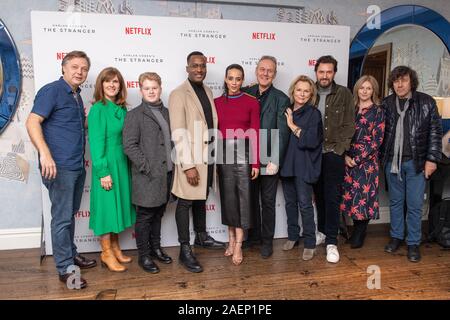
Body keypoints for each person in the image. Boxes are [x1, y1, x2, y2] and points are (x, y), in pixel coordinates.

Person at [26, 51, 96, 289]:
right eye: (75, 67)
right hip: (59, 166)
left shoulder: (76, 95)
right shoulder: (52, 90)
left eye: (84, 68)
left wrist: (91, 114)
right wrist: (45, 155)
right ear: (64, 68)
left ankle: (71, 253)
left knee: (70, 214)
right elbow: (33, 121)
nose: (80, 72)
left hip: (76, 165)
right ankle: (65, 268)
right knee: (62, 218)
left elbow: (71, 127)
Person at [169, 51, 225, 273]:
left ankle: (201, 236)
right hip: (190, 160)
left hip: (207, 157)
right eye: (195, 65)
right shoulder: (178, 94)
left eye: (202, 66)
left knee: (200, 198)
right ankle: (184, 249)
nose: (199, 69)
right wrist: (188, 165)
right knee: (185, 202)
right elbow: (178, 132)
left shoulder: (208, 90)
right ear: (187, 68)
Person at [381, 66, 442, 262]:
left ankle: (413, 242)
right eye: (396, 81)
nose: (399, 84)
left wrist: (432, 159)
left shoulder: (426, 102)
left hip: (416, 163)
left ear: (411, 82)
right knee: (396, 202)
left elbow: (435, 132)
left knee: (415, 205)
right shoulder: (386, 103)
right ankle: (397, 236)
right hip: (392, 162)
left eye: (404, 80)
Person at [123, 72, 173, 274]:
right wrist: (146, 167)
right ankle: (144, 255)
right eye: (147, 88)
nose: (151, 91)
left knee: (158, 213)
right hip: (147, 176)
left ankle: (156, 249)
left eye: (154, 87)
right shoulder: (134, 115)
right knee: (145, 217)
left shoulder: (169, 112)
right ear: (140, 90)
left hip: (167, 174)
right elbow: (129, 145)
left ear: (160, 88)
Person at [88, 67, 136, 272]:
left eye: (115, 81)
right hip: (107, 164)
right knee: (107, 209)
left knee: (118, 206)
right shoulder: (98, 109)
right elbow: (96, 144)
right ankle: (106, 252)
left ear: (120, 85)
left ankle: (115, 247)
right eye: (107, 81)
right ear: (101, 85)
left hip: (122, 164)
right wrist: (102, 172)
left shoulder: (122, 109)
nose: (112, 85)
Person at [243, 55, 290, 258]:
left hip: (269, 158)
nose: (265, 73)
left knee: (268, 201)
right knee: (250, 200)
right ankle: (252, 237)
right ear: (256, 71)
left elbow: (282, 131)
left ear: (274, 74)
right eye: (262, 69)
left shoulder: (282, 98)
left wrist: (276, 160)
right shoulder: (245, 93)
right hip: (248, 157)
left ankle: (267, 241)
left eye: (270, 70)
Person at [215, 64, 260, 265]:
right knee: (228, 199)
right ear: (225, 79)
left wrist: (256, 163)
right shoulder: (216, 102)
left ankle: (239, 244)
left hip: (244, 152)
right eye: (230, 78)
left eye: (238, 78)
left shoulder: (251, 102)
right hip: (223, 153)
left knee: (243, 201)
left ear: (242, 80)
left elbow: (256, 133)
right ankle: (231, 239)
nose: (234, 82)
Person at [313, 55, 356, 263]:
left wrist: (340, 149)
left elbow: (350, 124)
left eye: (329, 72)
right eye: (321, 71)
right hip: (312, 154)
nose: (324, 75)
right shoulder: (309, 91)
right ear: (316, 72)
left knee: (332, 198)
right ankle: (321, 231)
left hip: (333, 153)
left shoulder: (344, 93)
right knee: (318, 196)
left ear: (334, 73)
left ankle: (332, 241)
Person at [280, 75, 323, 260]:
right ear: (293, 91)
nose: (302, 94)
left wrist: (291, 125)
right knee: (290, 203)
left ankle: (310, 243)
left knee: (305, 205)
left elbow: (312, 140)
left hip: (304, 165)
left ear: (311, 93)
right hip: (287, 165)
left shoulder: (314, 113)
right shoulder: (286, 109)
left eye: (306, 90)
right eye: (299, 90)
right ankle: (292, 236)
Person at [340, 75, 385, 249]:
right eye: (362, 87)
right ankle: (353, 231)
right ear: (357, 89)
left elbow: (377, 141)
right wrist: (345, 156)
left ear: (373, 91)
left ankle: (360, 233)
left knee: (364, 198)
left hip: (366, 162)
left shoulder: (378, 111)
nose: (365, 91)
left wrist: (357, 159)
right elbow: (342, 132)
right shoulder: (350, 108)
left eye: (369, 88)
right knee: (350, 197)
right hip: (347, 158)